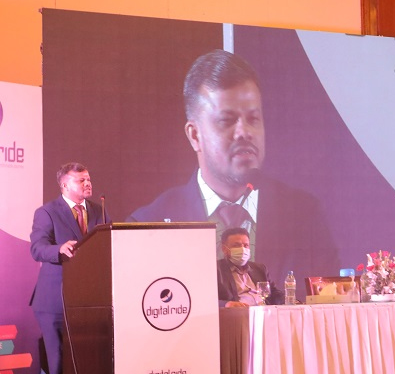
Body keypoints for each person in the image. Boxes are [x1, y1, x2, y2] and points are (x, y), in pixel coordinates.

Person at [127, 49, 336, 292]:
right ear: (195, 136)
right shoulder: (148, 226)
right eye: (227, 121)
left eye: (253, 119)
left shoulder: (305, 216)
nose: (244, 132)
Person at [29, 163, 111, 374]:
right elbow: (37, 248)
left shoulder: (99, 210)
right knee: (58, 362)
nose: (88, 183)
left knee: (89, 360)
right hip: (55, 300)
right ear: (65, 185)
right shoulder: (47, 212)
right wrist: (59, 249)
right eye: (81, 180)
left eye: (88, 179)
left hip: (89, 302)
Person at [218, 227, 283, 307]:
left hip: (263, 311)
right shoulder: (216, 270)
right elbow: (207, 299)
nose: (242, 249)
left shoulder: (260, 268)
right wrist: (226, 304)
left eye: (246, 245)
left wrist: (288, 300)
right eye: (236, 245)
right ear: (224, 249)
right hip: (238, 313)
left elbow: (274, 293)